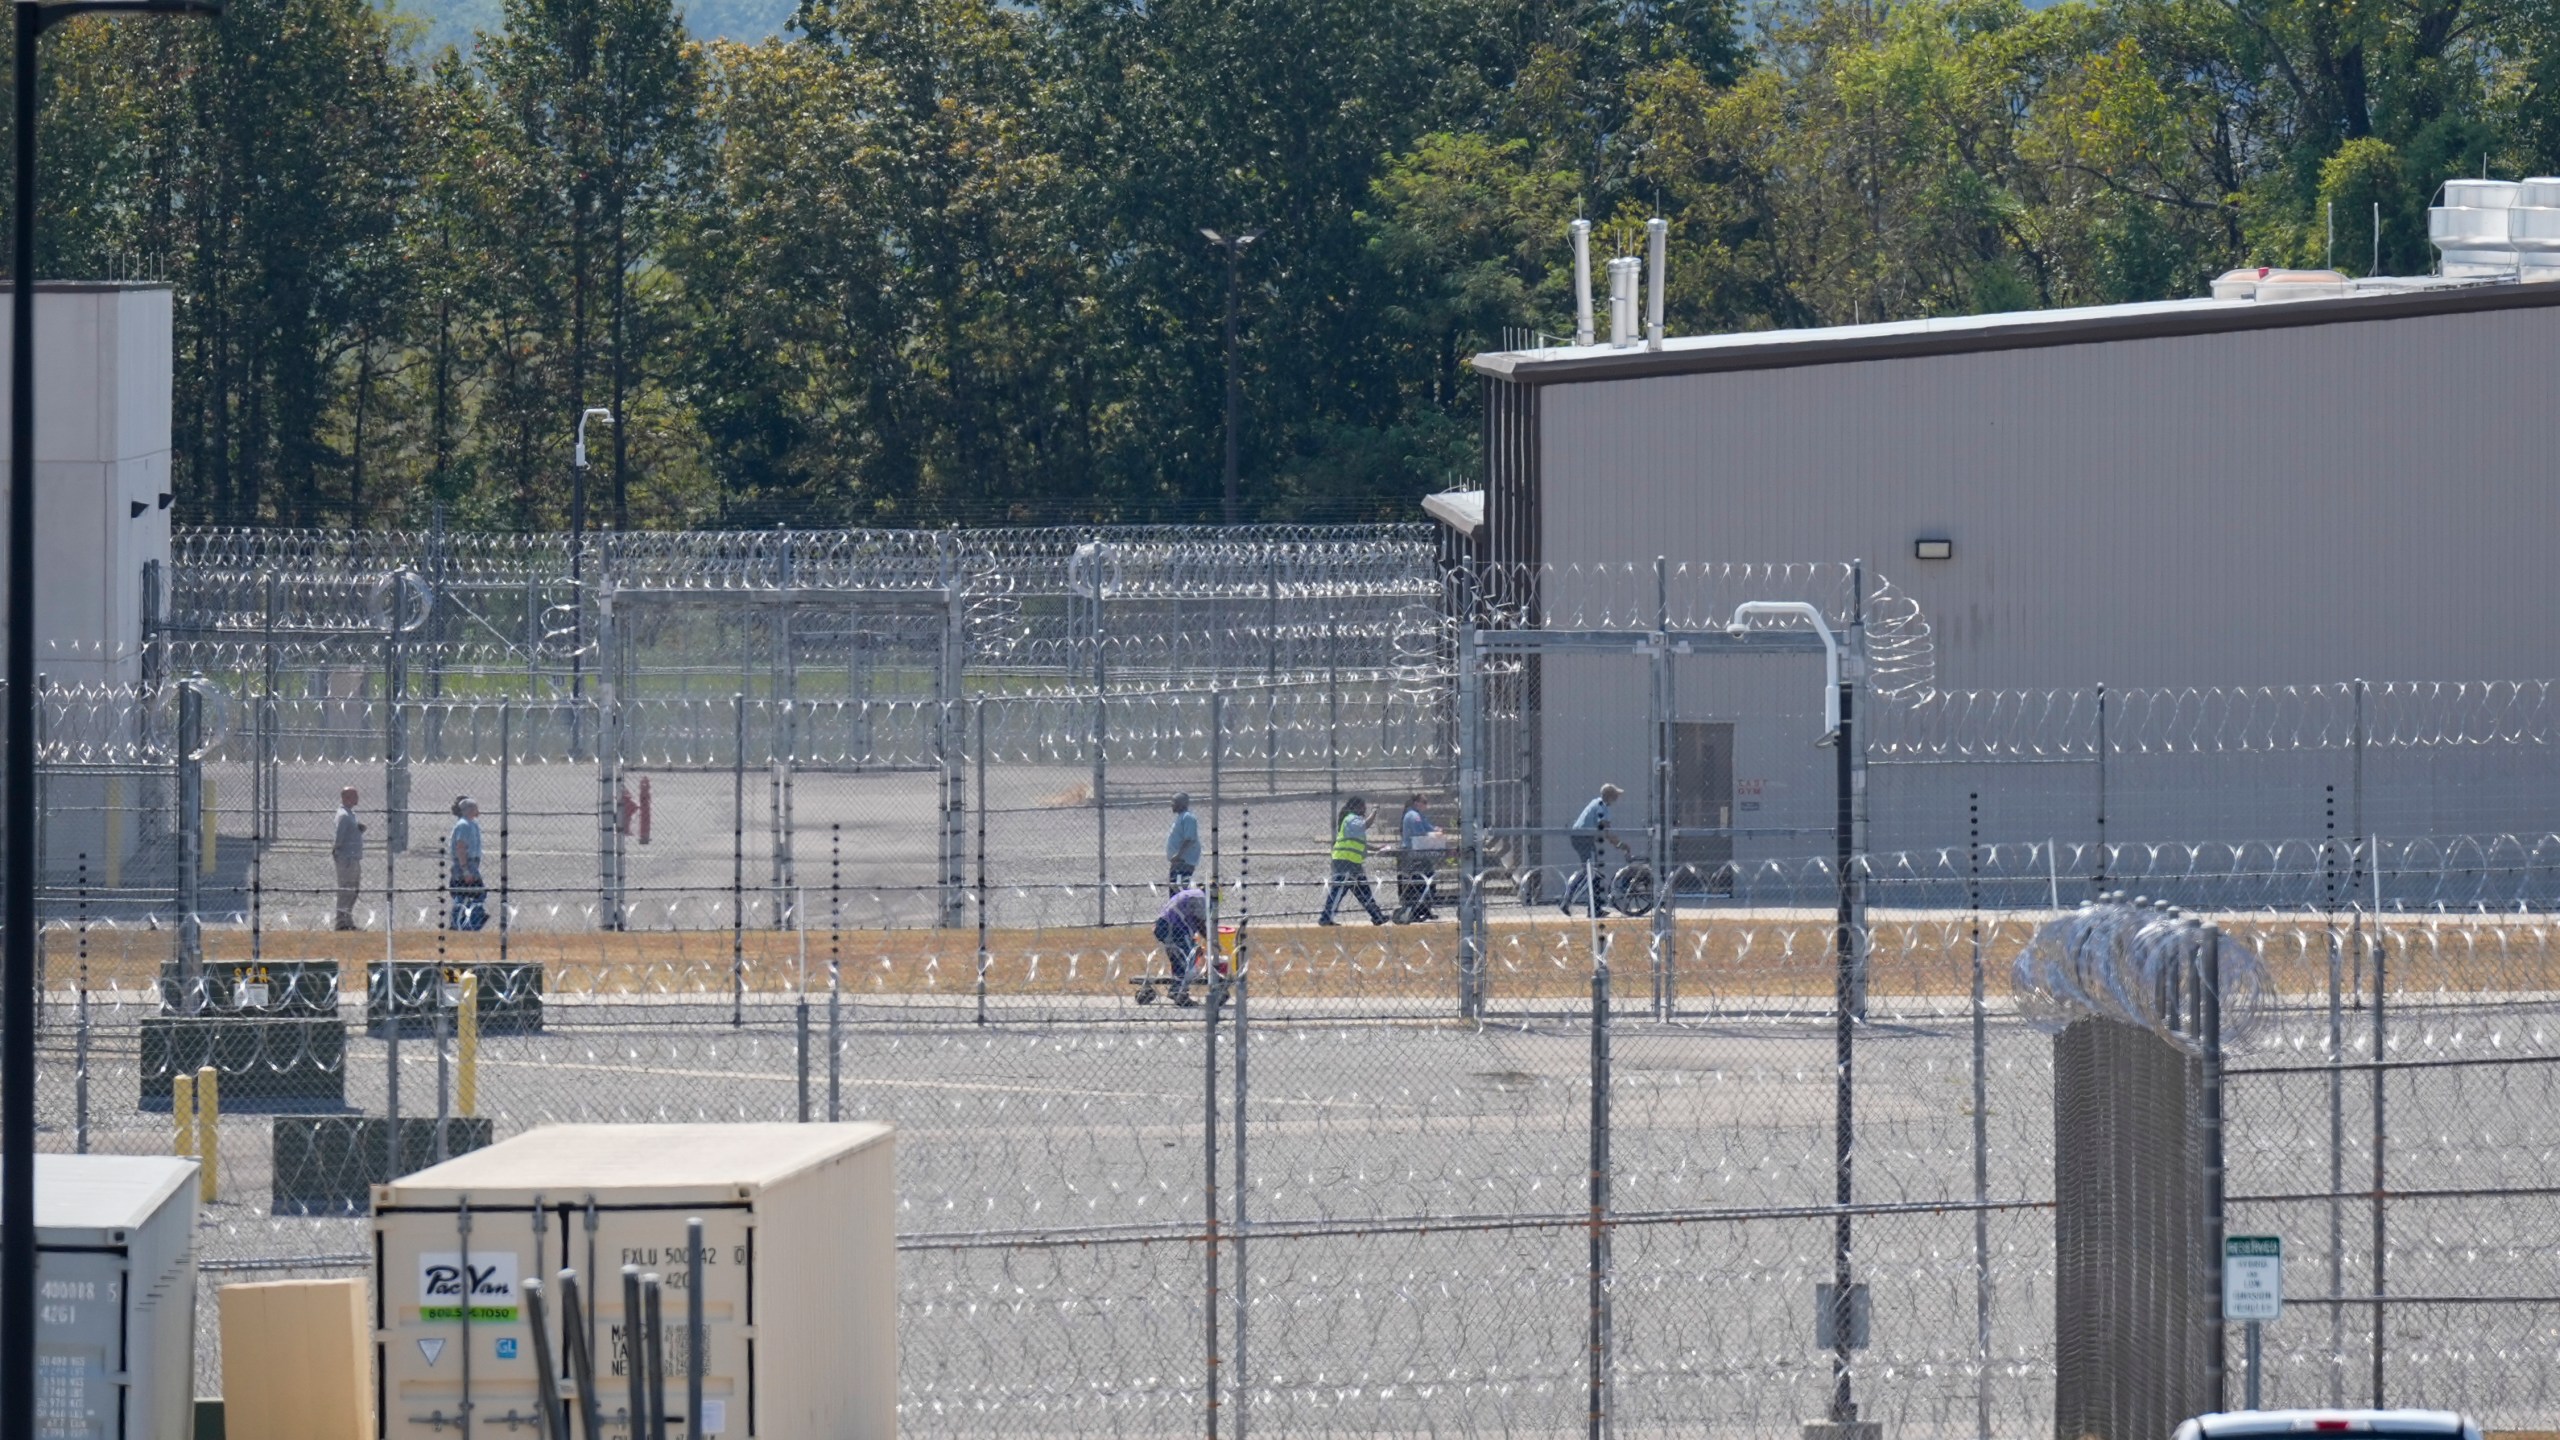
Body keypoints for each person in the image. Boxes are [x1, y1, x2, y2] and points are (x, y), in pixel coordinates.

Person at [1317, 796, 1389, 926]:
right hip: (1344, 860)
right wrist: (1374, 811)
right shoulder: (1351, 819)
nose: (1364, 809)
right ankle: (1326, 917)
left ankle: (1377, 916)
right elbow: (1365, 825)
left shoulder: (1353, 821)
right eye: (1363, 807)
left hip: (1353, 862)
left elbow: (1361, 843)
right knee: (1339, 890)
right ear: (1356, 807)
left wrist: (1377, 848)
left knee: (1363, 890)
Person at [1561, 783, 1623, 917]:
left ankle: (1594, 908)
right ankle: (1568, 901)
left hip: (1582, 837)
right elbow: (1607, 830)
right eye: (1616, 795)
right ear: (1610, 796)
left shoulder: (1596, 802)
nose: (1617, 798)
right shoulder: (1603, 807)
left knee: (1593, 871)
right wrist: (1621, 845)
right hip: (1583, 838)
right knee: (1589, 871)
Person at [1154, 885, 1210, 1006]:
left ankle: (1176, 990)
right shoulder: (1201, 898)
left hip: (1165, 926)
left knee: (1179, 959)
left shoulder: (1191, 893)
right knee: (1186, 960)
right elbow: (1200, 923)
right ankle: (1180, 994)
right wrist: (1211, 940)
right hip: (1173, 928)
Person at [1394, 793, 1444, 923]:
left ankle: (1424, 909)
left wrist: (1435, 830)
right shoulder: (1413, 816)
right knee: (1420, 881)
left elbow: (1428, 828)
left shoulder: (1419, 815)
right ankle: (1417, 910)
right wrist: (1434, 834)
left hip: (1420, 854)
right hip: (1414, 855)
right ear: (1416, 803)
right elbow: (1420, 834)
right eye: (1424, 802)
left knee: (1428, 880)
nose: (1426, 805)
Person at [449, 796, 487, 932]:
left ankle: (464, 922)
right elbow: (460, 848)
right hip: (465, 865)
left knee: (467, 894)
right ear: (469, 809)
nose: (478, 810)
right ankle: (465, 923)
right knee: (474, 894)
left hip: (472, 864)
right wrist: (465, 870)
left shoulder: (472, 824)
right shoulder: (463, 825)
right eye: (475, 807)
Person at [332, 786, 367, 931]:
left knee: (353, 890)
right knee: (346, 890)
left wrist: (358, 830)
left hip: (353, 857)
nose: (357, 798)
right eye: (354, 796)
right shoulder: (344, 816)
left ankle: (347, 920)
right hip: (347, 859)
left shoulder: (350, 814)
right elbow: (339, 837)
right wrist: (338, 853)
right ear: (346, 798)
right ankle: (341, 922)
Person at [1165, 792, 1201, 887]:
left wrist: (1178, 855)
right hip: (1178, 862)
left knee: (1178, 890)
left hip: (1183, 862)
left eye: (1175, 802)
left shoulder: (1188, 817)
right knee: (1174, 889)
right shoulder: (1180, 817)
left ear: (1182, 804)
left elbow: (1189, 839)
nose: (1172, 804)